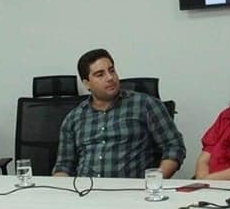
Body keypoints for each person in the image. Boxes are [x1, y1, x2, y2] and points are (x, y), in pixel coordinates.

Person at [54, 48, 185, 178]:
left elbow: (174, 146)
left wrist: (154, 182)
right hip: (85, 189)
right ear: (87, 84)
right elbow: (63, 165)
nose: (110, 77)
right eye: (100, 74)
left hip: (132, 189)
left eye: (111, 70)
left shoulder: (145, 105)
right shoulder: (74, 118)